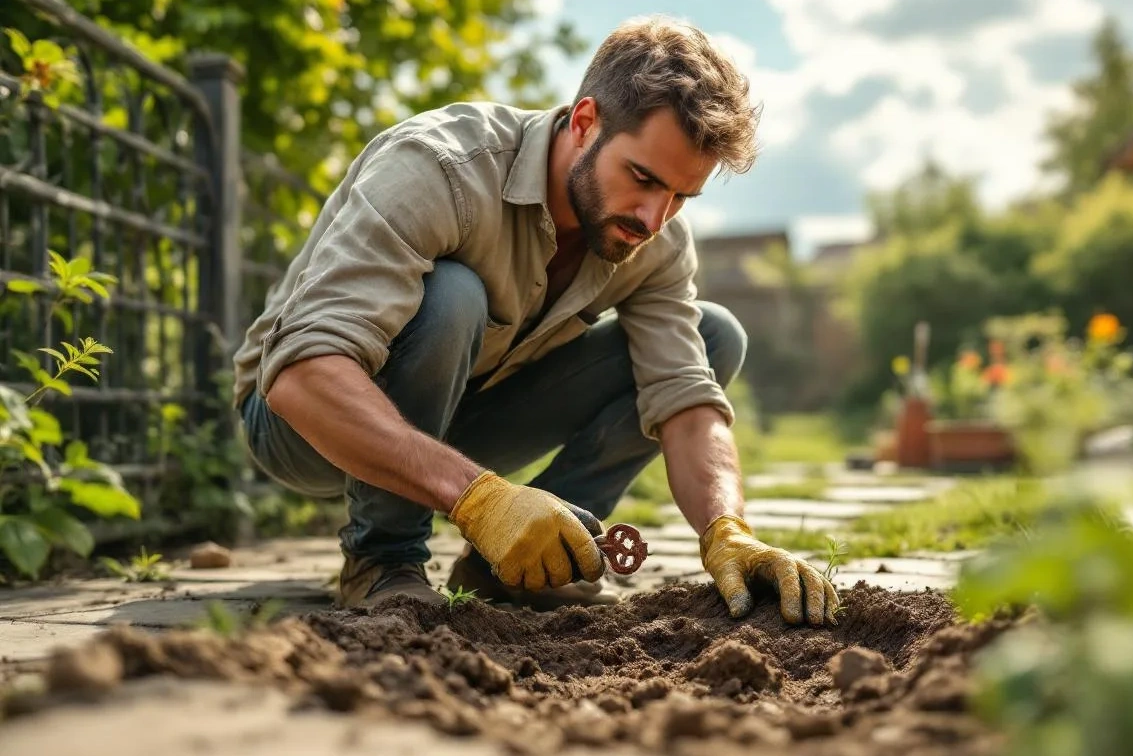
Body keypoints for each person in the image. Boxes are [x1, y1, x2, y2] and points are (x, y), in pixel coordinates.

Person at [230, 15, 839, 626]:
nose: (654, 218)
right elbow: (300, 377)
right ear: (583, 123)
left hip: (460, 420)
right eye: (643, 179)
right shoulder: (440, 168)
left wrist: (727, 530)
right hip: (305, 425)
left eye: (681, 196)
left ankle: (535, 561)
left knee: (712, 338)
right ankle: (383, 560)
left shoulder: (658, 241)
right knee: (455, 294)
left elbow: (682, 398)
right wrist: (481, 498)